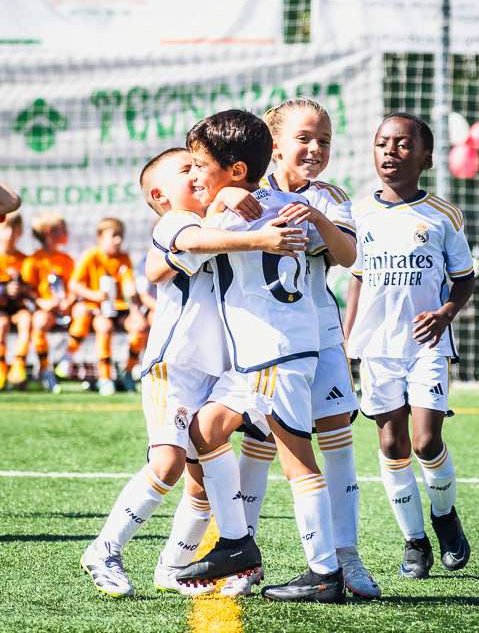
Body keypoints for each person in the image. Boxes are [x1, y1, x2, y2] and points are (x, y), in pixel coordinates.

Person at [80, 147, 307, 599]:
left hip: (217, 371)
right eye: (188, 169)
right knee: (166, 464)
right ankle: (104, 550)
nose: (199, 175)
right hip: (175, 367)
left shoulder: (221, 221)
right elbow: (189, 247)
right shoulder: (178, 222)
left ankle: (173, 568)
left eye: (201, 167)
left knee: (201, 483)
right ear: (160, 195)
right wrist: (255, 233)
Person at [149, 109, 346, 604]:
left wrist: (226, 203)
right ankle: (237, 542)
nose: (195, 175)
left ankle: (325, 573)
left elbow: (189, 244)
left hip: (273, 352)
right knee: (205, 431)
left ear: (236, 170)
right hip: (263, 356)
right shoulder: (283, 201)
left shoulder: (231, 213)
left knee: (298, 461)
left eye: (200, 165)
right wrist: (231, 195)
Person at [218, 98, 380, 600]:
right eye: (304, 138)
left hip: (324, 337)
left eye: (324, 140)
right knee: (261, 444)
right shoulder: (250, 192)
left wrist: (315, 217)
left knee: (336, 443)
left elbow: (348, 256)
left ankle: (346, 557)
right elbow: (207, 218)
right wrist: (226, 194)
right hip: (270, 340)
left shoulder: (330, 196)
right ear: (275, 145)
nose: (315, 148)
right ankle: (246, 560)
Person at [343, 112, 475, 580]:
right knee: (392, 443)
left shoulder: (442, 215)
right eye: (383, 143)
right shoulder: (358, 214)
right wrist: (346, 341)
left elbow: (464, 278)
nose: (390, 151)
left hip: (426, 345)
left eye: (402, 144)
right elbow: (358, 280)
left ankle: (445, 517)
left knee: (425, 441)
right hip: (376, 347)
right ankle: (414, 541)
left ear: (426, 158)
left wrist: (445, 313)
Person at [61, 218, 149, 396]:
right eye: (113, 236)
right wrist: (93, 295)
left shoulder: (124, 258)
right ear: (99, 237)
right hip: (96, 309)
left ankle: (128, 372)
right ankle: (104, 377)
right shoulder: (91, 255)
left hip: (118, 308)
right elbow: (74, 284)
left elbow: (129, 287)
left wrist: (135, 311)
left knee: (141, 327)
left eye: (120, 236)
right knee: (104, 327)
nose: (118, 240)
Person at [20, 213, 76, 394]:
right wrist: (41, 302)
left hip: (67, 309)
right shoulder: (33, 260)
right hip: (47, 310)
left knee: (84, 314)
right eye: (63, 229)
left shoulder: (67, 259)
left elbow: (74, 286)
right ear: (49, 232)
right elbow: (27, 289)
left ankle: (67, 358)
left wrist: (69, 301)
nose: (66, 232)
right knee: (39, 322)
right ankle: (45, 369)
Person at [0, 213, 32, 390]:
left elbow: (31, 288)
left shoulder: (25, 259)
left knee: (26, 320)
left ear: (20, 232)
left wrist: (23, 288)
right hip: (1, 310)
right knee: (1, 323)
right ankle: (1, 367)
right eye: (6, 228)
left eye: (15, 229)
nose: (10, 234)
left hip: (18, 308)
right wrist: (4, 289)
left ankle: (19, 365)